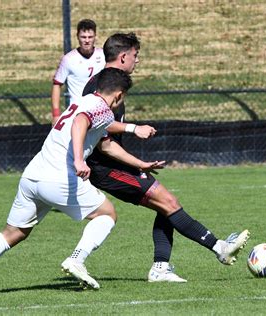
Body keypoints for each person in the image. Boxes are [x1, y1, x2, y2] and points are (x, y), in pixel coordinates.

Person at [0, 68, 163, 294]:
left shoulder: (83, 101)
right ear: (118, 95)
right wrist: (79, 160)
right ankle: (76, 260)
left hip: (33, 175)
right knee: (107, 214)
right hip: (59, 177)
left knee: (14, 232)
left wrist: (139, 160)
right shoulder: (99, 109)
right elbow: (81, 123)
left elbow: (105, 142)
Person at [81, 32, 250, 283]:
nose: (137, 61)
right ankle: (220, 248)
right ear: (124, 56)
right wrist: (134, 137)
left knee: (167, 204)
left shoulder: (109, 83)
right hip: (104, 168)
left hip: (116, 163)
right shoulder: (98, 87)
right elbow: (100, 136)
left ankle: (161, 267)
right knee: (167, 202)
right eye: (136, 56)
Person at [51, 19, 105, 125]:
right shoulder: (69, 59)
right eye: (83, 37)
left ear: (95, 37)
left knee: (105, 141)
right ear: (77, 37)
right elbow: (57, 85)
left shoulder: (103, 55)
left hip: (99, 111)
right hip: (78, 113)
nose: (87, 40)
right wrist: (56, 114)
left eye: (90, 37)